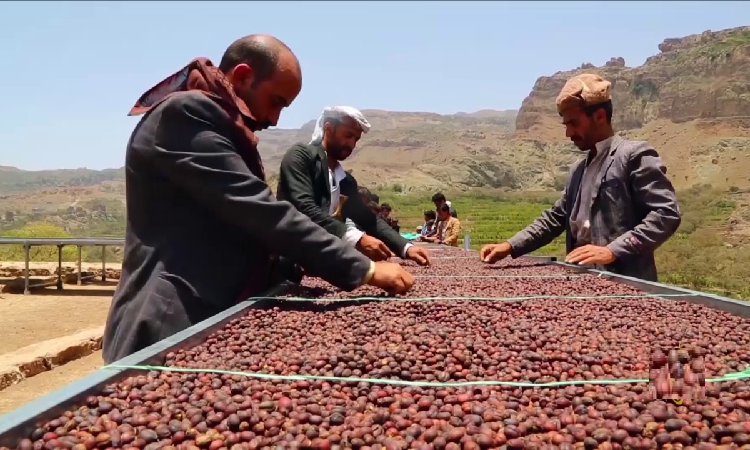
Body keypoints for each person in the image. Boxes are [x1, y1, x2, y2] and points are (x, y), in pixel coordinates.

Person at [102, 35, 414, 363]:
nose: (276, 119)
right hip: (171, 322)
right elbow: (258, 210)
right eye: (276, 101)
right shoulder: (186, 116)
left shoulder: (223, 126)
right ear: (242, 76)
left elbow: (231, 228)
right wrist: (364, 270)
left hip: (214, 315)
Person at [480, 74, 681, 281]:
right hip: (581, 279)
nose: (568, 133)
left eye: (574, 123)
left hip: (624, 283)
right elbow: (555, 218)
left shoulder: (633, 155)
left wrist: (612, 250)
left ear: (600, 116)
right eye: (565, 125)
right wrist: (510, 246)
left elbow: (666, 214)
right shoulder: (578, 170)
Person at [276, 106, 431, 265]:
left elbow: (368, 220)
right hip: (284, 260)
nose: (351, 144)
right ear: (328, 129)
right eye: (348, 135)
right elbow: (304, 209)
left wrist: (405, 247)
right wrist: (357, 239)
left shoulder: (346, 181)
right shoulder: (301, 157)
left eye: (356, 139)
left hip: (315, 260)